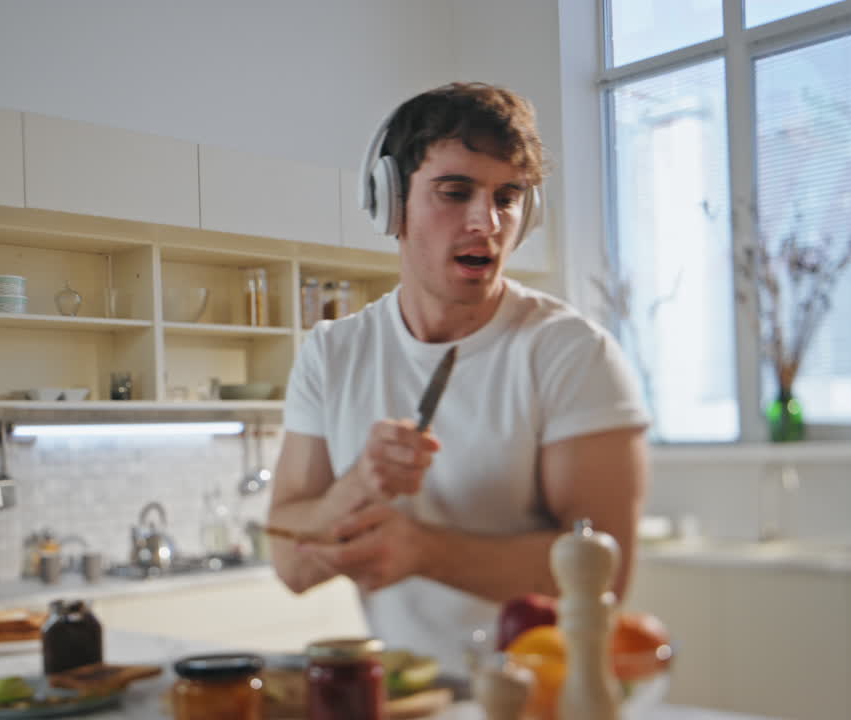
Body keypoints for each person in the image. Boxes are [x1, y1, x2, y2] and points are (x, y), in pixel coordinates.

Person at [267, 82, 651, 673]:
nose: (487, 222)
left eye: (509, 196)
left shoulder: (572, 354)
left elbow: (602, 577)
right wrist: (359, 483)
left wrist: (422, 551)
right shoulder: (332, 353)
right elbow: (291, 565)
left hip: (544, 700)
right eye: (455, 192)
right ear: (389, 203)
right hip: (407, 695)